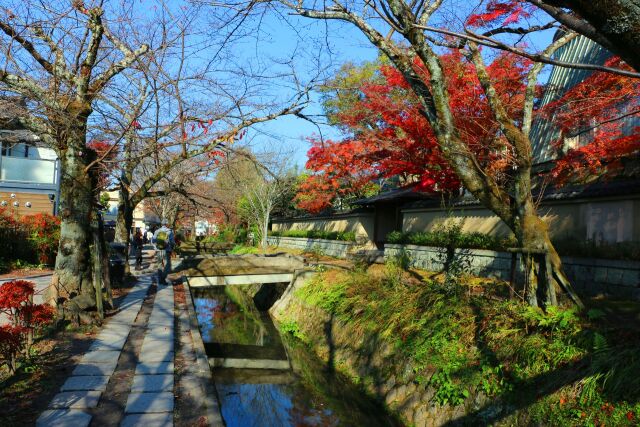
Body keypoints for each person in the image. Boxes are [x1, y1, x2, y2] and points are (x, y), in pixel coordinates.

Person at [152, 220, 175, 285]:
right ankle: (163, 278)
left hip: (158, 250)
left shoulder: (157, 231)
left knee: (159, 265)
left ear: (161, 224)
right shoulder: (170, 232)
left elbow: (153, 241)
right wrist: (172, 248)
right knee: (167, 265)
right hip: (167, 250)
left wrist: (156, 248)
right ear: (166, 224)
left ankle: (160, 280)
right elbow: (172, 242)